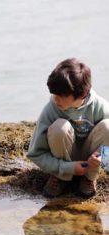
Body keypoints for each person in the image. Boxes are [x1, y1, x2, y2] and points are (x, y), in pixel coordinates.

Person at [27, 58, 109, 198]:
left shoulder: (100, 106)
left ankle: (89, 178)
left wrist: (103, 159)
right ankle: (60, 178)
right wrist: (66, 168)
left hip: (90, 161)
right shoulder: (51, 109)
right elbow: (36, 154)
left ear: (82, 94)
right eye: (54, 93)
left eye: (61, 95)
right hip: (63, 161)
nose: (55, 99)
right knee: (60, 128)